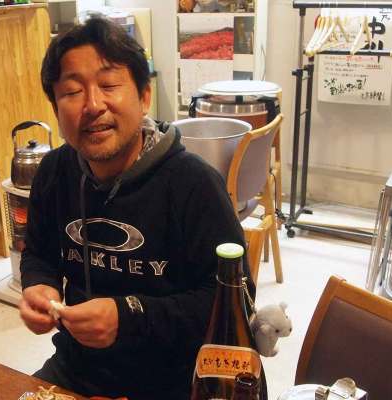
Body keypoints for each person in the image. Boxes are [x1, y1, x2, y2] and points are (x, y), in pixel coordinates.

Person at [19, 17, 258, 399]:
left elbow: (234, 304)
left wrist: (129, 316)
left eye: (109, 85)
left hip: (177, 383)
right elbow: (38, 254)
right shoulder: (54, 172)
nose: (92, 105)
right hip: (76, 369)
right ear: (56, 107)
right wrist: (39, 285)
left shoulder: (194, 184)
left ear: (144, 96)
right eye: (72, 91)